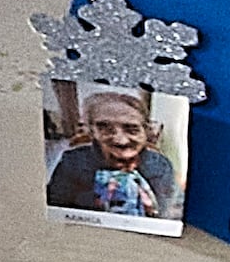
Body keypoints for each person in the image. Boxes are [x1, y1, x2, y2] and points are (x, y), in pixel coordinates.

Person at [45, 83, 178, 226]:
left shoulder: (159, 165)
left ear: (146, 131)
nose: (120, 139)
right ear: (91, 131)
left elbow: (166, 214)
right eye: (105, 129)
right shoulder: (73, 161)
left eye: (132, 129)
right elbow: (55, 210)